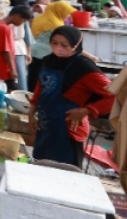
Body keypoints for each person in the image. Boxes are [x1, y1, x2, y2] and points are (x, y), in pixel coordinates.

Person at [29, 26, 115, 167]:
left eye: (64, 45)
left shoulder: (85, 69)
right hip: (46, 126)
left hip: (70, 132)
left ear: (76, 45)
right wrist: (31, 113)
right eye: (54, 43)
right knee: (42, 169)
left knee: (66, 173)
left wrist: (86, 111)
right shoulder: (47, 61)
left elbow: (114, 96)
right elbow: (41, 87)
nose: (58, 48)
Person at [0, 6, 32, 91]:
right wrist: (12, 69)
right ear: (17, 16)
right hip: (2, 65)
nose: (22, 23)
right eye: (23, 21)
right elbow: (5, 51)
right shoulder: (4, 28)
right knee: (7, 90)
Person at [28, 0, 76, 89]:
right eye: (66, 12)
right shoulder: (56, 24)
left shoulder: (38, 18)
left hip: (34, 51)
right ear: (59, 11)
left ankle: (30, 94)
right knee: (43, 80)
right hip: (46, 54)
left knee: (33, 77)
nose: (67, 15)